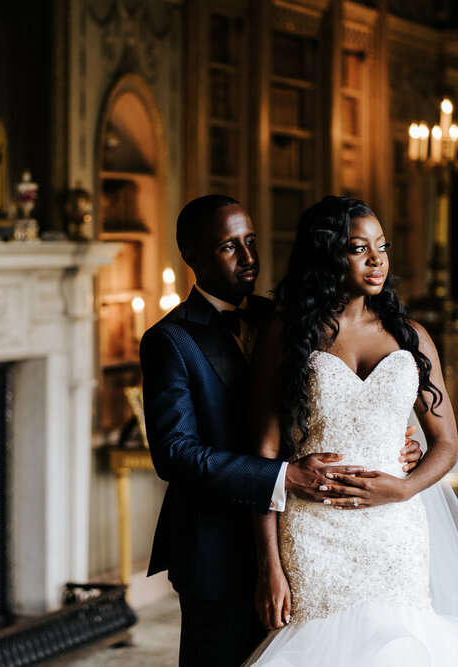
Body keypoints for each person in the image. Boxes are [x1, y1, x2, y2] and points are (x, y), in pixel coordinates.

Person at [245, 195, 458, 666]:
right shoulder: (287, 334)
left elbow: (447, 443)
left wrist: (404, 487)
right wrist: (269, 564)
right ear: (327, 253)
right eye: (358, 248)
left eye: (382, 247)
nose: (376, 260)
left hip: (394, 532)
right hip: (312, 530)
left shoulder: (411, 335)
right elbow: (263, 456)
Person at [139, 195, 422, 667]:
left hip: (308, 537)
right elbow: (175, 453)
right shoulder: (170, 340)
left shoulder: (290, 319)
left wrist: (395, 442)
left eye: (250, 241)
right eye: (230, 247)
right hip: (221, 544)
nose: (249, 258)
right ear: (190, 256)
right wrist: (283, 476)